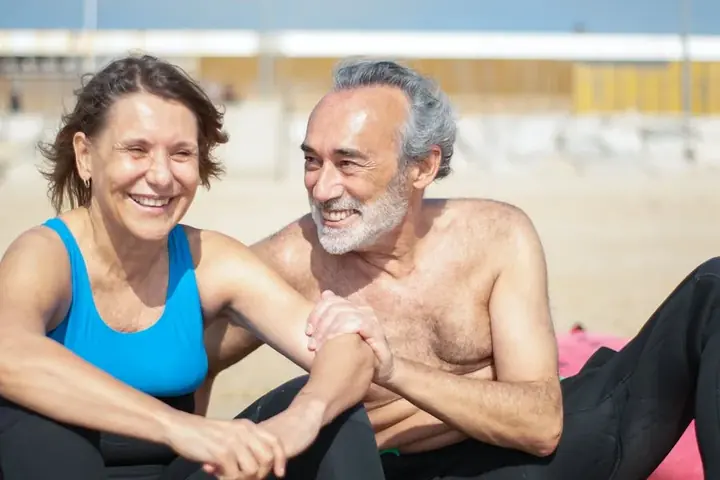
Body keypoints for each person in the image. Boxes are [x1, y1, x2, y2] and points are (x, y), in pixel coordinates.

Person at [199, 58, 720, 479]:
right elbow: (186, 356)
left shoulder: (495, 235)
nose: (321, 185)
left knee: (712, 288)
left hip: (526, 454)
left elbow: (541, 423)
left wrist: (393, 370)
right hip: (392, 469)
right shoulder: (291, 259)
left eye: (348, 162)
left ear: (422, 167)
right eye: (312, 160)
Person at [0, 54, 387, 480]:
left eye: (181, 153)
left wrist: (305, 417)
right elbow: (9, 353)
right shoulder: (46, 253)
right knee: (42, 430)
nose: (162, 176)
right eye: (137, 150)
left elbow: (345, 348)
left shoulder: (206, 259)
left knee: (336, 417)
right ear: (85, 155)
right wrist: (179, 427)